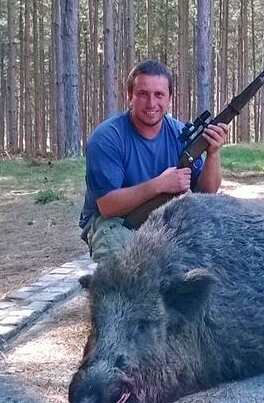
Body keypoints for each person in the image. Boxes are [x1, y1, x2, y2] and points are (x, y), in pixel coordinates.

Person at [79, 60, 229, 263]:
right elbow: (107, 207)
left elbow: (206, 193)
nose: (151, 103)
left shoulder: (178, 133)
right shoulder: (106, 138)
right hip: (112, 223)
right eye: (142, 94)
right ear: (130, 97)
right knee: (128, 267)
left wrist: (213, 153)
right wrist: (159, 185)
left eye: (159, 95)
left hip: (163, 217)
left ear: (170, 99)